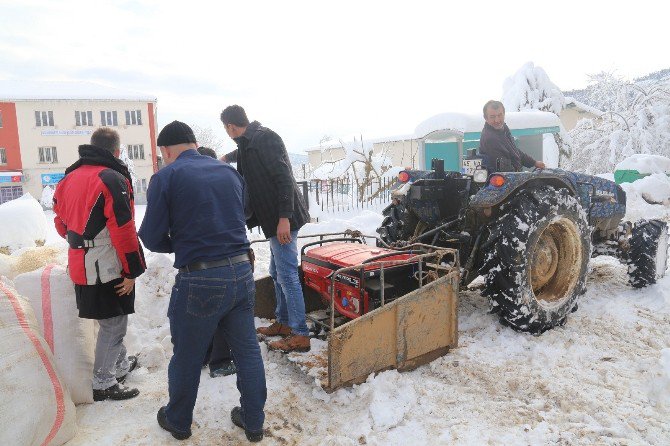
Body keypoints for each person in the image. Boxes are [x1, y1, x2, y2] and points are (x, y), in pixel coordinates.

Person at [139, 121, 266, 442]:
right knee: (248, 352)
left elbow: (152, 237)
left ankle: (178, 421)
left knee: (187, 355)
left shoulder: (166, 177)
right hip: (241, 271)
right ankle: (253, 422)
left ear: (166, 151)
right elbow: (244, 214)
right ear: (194, 143)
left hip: (201, 278)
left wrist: (183, 241)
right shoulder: (228, 172)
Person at [53, 127, 145, 402]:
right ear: (117, 151)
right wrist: (132, 270)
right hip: (105, 262)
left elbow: (60, 224)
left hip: (79, 262)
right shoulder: (111, 178)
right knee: (114, 323)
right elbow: (123, 228)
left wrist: (81, 240)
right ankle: (104, 381)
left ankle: (118, 365)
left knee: (110, 317)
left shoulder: (68, 177)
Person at [220, 105, 311, 353]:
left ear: (230, 126)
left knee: (287, 274)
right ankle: (282, 321)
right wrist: (226, 158)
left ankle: (300, 333)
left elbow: (283, 178)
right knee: (276, 270)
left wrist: (285, 218)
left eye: (226, 129)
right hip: (273, 220)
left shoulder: (266, 138)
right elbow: (245, 152)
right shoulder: (250, 141)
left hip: (281, 219)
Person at [197, 146, 236, 378]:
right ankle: (220, 361)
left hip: (195, 260)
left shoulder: (187, 185)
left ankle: (203, 355)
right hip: (222, 257)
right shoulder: (223, 184)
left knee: (202, 308)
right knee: (223, 310)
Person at [479, 100, 546, 173]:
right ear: (485, 118)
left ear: (504, 114)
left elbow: (514, 151)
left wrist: (534, 163)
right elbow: (504, 168)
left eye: (499, 115)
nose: (497, 120)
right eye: (492, 117)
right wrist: (520, 175)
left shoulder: (503, 129)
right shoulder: (490, 138)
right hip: (505, 178)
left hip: (513, 174)